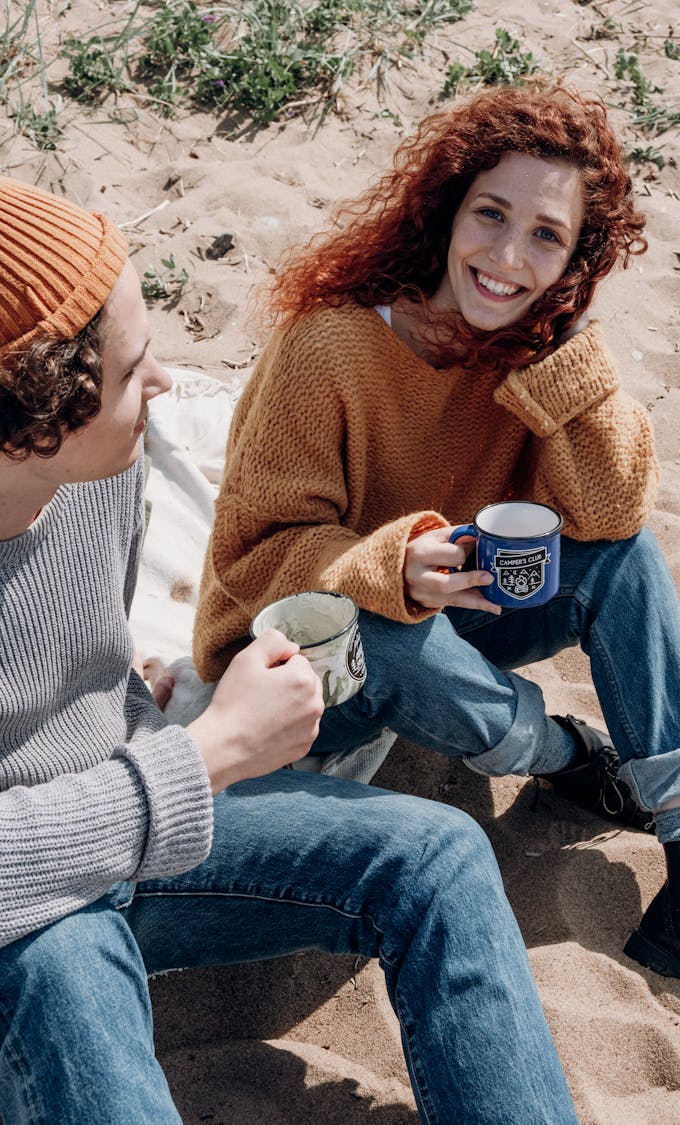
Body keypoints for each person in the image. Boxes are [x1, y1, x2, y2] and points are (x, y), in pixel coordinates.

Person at [0, 176, 580, 1124]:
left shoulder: (98, 469)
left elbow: (66, 661)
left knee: (436, 857)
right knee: (66, 966)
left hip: (130, 827)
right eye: (133, 369)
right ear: (33, 423)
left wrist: (128, 707)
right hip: (26, 914)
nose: (166, 385)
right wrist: (209, 753)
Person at [193, 79, 680, 1050]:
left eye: (547, 236)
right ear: (447, 206)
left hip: (454, 612)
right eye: (490, 215)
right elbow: (253, 556)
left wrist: (567, 346)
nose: (506, 257)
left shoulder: (533, 351)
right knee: (394, 631)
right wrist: (390, 567)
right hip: (319, 651)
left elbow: (612, 515)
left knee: (622, 561)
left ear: (578, 257)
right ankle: (570, 755)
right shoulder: (329, 349)